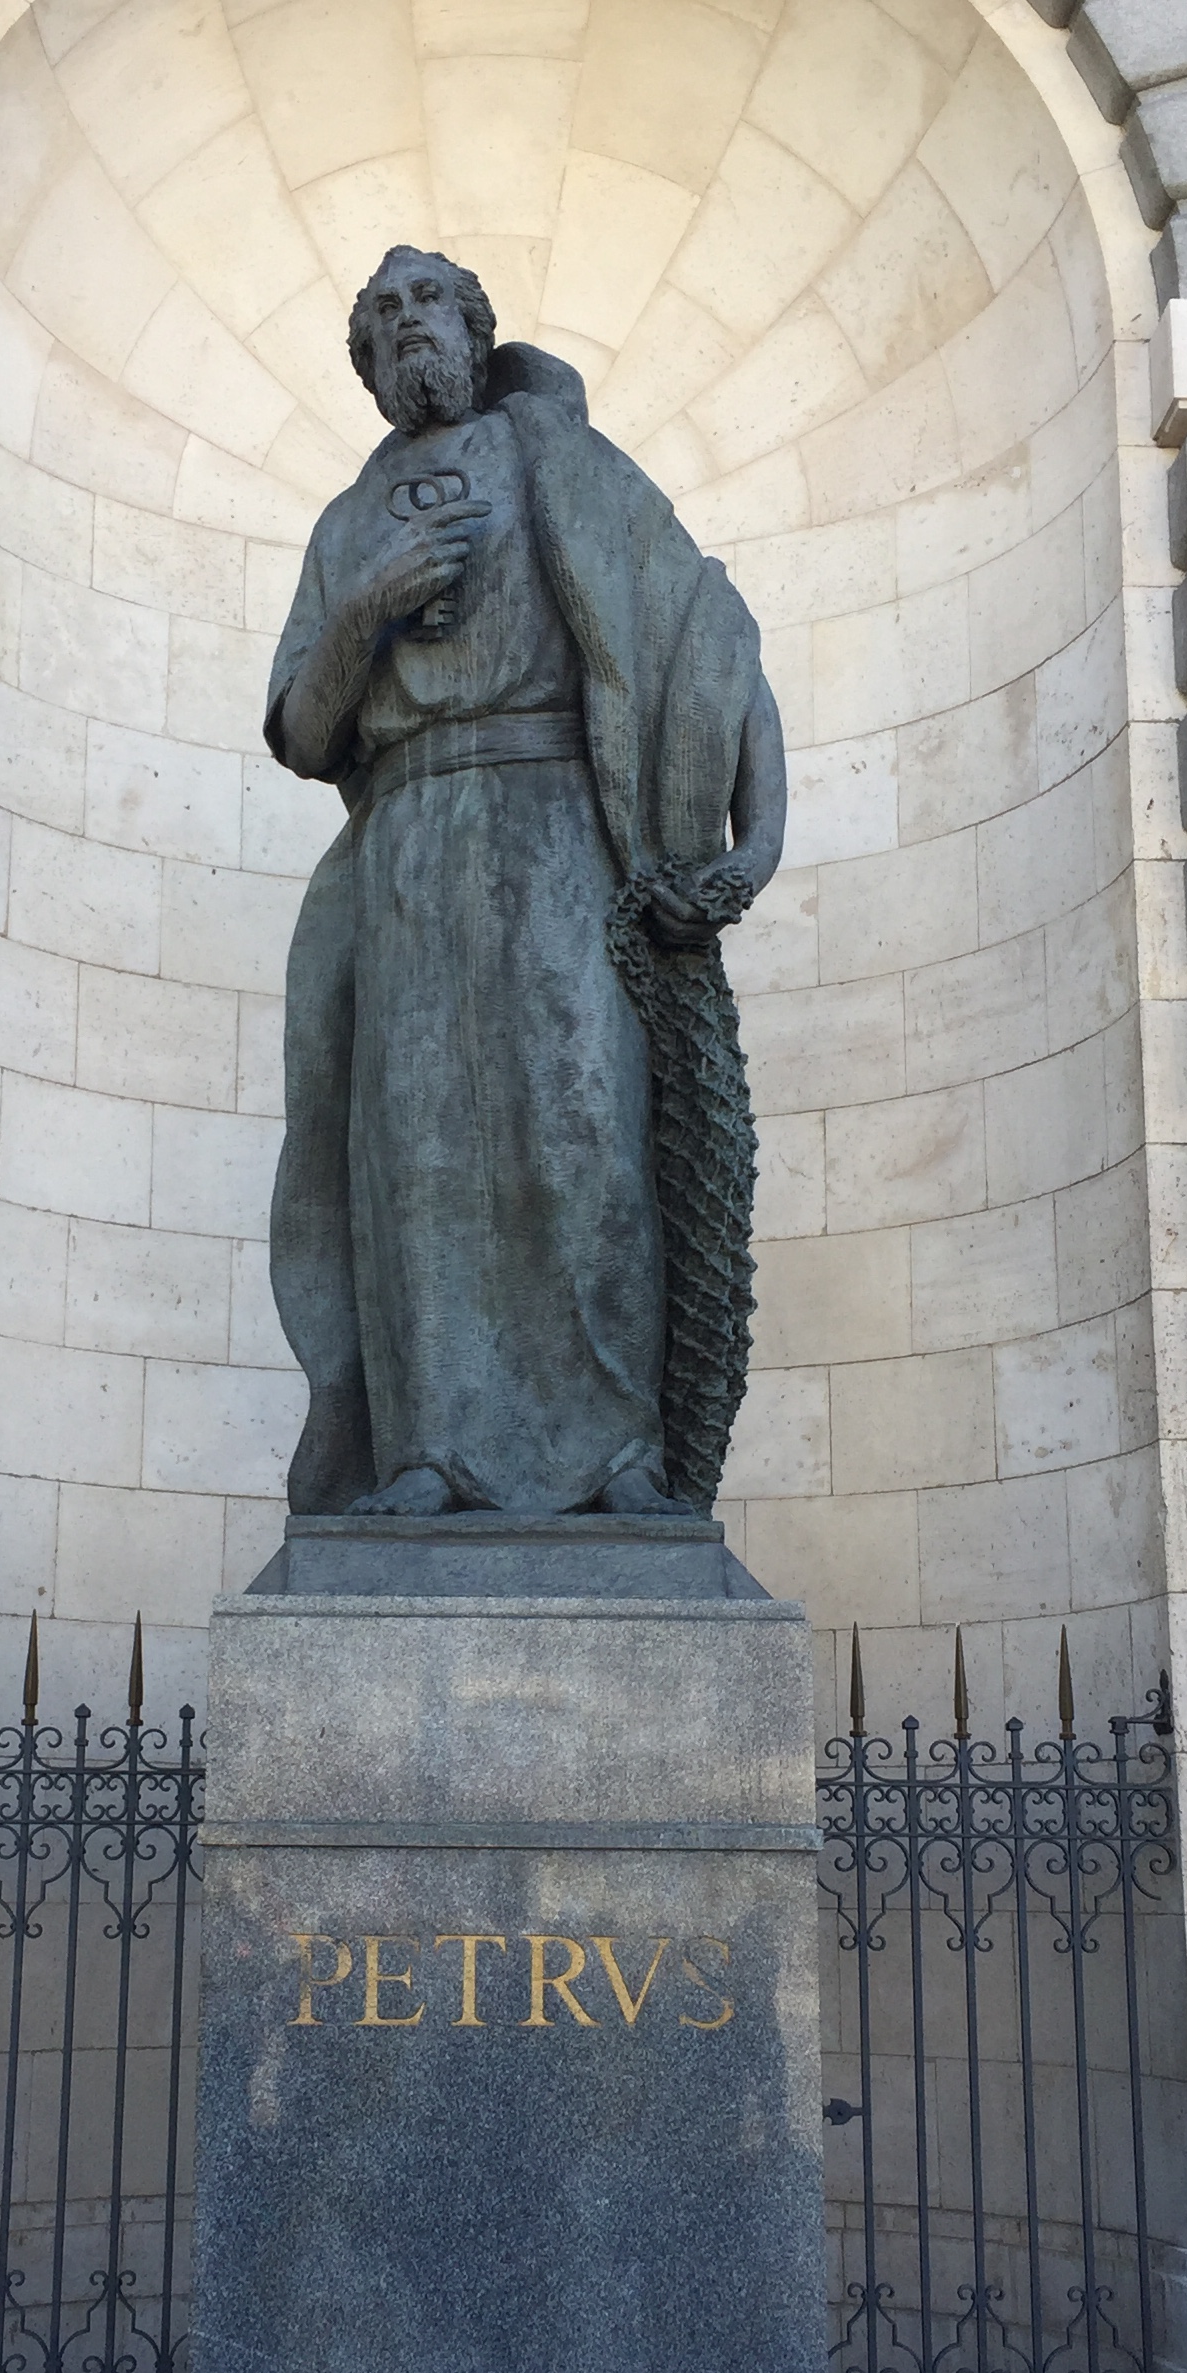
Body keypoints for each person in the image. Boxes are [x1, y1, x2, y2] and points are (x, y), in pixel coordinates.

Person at [265, 244, 787, 1521]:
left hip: (565, 838)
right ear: (367, 363)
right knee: (418, 1157)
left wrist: (754, 848)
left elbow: (710, 644)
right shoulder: (345, 525)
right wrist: (368, 610)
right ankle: (429, 1453)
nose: (408, 325)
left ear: (475, 329)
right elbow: (304, 734)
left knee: (586, 1137)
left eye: (428, 303)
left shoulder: (563, 462)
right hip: (408, 853)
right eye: (383, 316)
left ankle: (619, 1457)